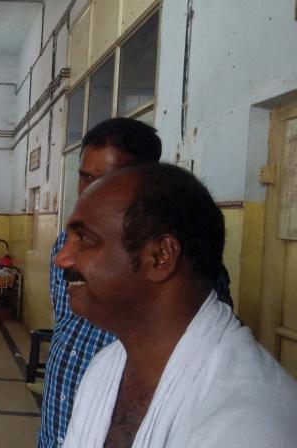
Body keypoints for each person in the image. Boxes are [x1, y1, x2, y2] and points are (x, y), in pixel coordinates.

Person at [58, 163, 297, 447]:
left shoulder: (247, 421)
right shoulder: (104, 368)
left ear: (160, 256)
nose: (62, 258)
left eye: (85, 239)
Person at [37, 118, 233, 448]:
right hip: (61, 420)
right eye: (85, 177)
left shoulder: (188, 269)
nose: (90, 192)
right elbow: (67, 321)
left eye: (107, 180)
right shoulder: (66, 247)